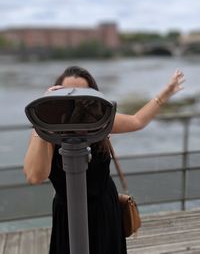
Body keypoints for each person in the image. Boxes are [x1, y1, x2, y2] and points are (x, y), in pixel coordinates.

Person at [23, 66, 185, 254]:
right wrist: (46, 116)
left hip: (104, 209)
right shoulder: (44, 135)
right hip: (68, 213)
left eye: (83, 97)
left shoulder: (98, 122)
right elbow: (35, 176)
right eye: (67, 96)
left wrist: (167, 91)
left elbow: (136, 121)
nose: (75, 105)